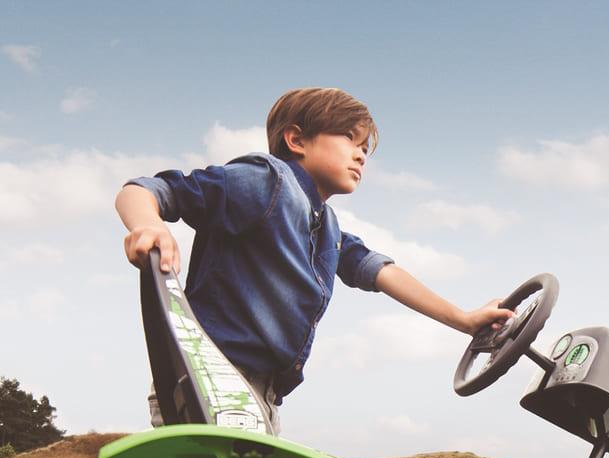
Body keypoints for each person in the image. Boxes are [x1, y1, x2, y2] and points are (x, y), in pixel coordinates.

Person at [115, 87, 513, 433]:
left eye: (365, 149)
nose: (361, 155)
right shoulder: (265, 181)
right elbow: (145, 190)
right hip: (213, 375)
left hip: (264, 394)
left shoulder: (327, 227)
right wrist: (149, 225)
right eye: (349, 139)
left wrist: (463, 319)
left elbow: (380, 271)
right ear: (297, 140)